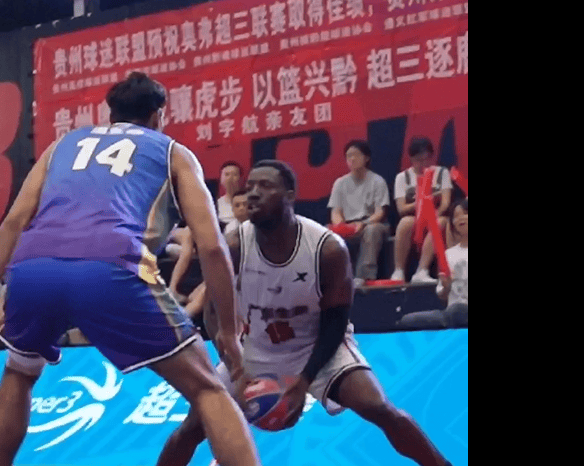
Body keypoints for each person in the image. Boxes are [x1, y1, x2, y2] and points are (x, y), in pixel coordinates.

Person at [0, 72, 261, 466]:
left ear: (110, 115)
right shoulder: (173, 152)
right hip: (110, 266)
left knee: (19, 372)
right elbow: (213, 247)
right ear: (158, 116)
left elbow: (13, 222)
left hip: (34, 268)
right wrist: (229, 334)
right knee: (207, 388)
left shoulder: (63, 145)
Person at [156, 160, 451, 466]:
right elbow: (213, 314)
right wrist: (236, 370)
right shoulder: (233, 246)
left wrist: (304, 379)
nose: (253, 193)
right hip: (255, 350)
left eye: (265, 186)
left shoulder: (328, 249)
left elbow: (335, 323)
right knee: (192, 427)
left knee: (378, 407)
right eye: (250, 186)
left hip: (316, 345)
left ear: (290, 196)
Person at [327, 140, 391, 288]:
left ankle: (363, 276)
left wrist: (363, 223)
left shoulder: (377, 181)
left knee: (372, 230)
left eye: (356, 155)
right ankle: (332, 279)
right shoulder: (340, 183)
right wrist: (341, 227)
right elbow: (336, 212)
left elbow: (380, 212)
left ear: (366, 158)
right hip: (349, 225)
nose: (352, 159)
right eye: (348, 156)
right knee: (325, 233)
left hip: (371, 223)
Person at [397, 199, 468, 329]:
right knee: (407, 320)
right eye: (456, 216)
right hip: (450, 314)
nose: (460, 218)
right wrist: (446, 287)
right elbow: (443, 297)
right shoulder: (449, 254)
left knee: (459, 310)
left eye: (465, 213)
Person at [392, 136, 454, 284]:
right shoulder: (402, 177)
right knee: (404, 223)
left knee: (439, 223)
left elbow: (446, 202)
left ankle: (422, 270)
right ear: (411, 159)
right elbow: (402, 208)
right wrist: (421, 201)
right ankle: (398, 270)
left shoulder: (441, 173)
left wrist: (433, 214)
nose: (423, 164)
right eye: (418, 160)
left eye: (426, 159)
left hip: (436, 215)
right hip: (414, 217)